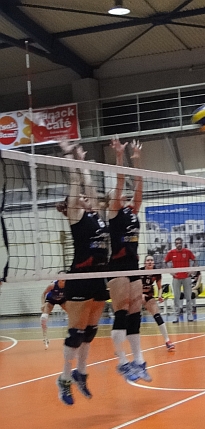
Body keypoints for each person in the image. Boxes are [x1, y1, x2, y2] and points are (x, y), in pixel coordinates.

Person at [55, 141, 110, 406]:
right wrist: (70, 159)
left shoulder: (96, 215)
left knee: (90, 331)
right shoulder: (76, 216)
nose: (86, 198)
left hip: (98, 278)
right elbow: (76, 185)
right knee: (76, 333)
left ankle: (81, 372)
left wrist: (84, 162)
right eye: (80, 198)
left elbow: (90, 188)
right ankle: (64, 379)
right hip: (79, 278)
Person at [107, 138, 151, 383]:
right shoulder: (114, 211)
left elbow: (139, 186)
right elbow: (120, 181)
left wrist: (137, 161)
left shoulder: (132, 212)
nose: (123, 194)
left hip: (133, 266)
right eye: (117, 194)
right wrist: (119, 156)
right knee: (122, 311)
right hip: (118, 267)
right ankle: (122, 361)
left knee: (135, 312)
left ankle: (139, 361)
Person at [141, 255, 175, 351]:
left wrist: (160, 296)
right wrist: (140, 294)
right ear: (145, 263)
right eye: (148, 260)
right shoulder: (139, 271)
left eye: (151, 260)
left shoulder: (156, 272)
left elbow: (160, 288)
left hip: (149, 295)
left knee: (157, 315)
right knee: (132, 317)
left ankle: (167, 341)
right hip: (137, 295)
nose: (150, 262)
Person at [164, 237, 196, 323]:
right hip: (176, 278)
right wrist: (171, 272)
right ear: (175, 244)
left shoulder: (187, 252)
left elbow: (195, 260)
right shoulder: (171, 252)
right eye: (177, 243)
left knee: (188, 296)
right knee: (176, 297)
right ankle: (176, 315)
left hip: (186, 277)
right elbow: (165, 262)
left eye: (180, 243)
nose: (178, 244)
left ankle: (189, 314)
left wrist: (192, 270)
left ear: (182, 243)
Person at [40, 277, 67, 349]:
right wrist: (43, 304)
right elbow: (43, 294)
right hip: (51, 300)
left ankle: (74, 334)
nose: (64, 281)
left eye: (65, 280)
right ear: (59, 280)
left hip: (62, 300)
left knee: (73, 314)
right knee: (43, 318)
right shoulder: (52, 285)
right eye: (62, 280)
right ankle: (45, 337)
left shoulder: (68, 285)